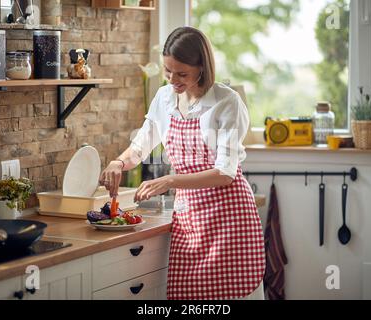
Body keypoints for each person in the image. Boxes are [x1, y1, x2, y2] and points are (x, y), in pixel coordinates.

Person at [99, 26, 265, 300]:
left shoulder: (226, 102)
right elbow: (140, 147)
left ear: (202, 67)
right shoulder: (164, 99)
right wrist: (118, 161)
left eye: (182, 73)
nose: (173, 80)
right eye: (168, 71)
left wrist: (170, 180)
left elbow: (224, 173)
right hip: (190, 217)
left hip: (229, 216)